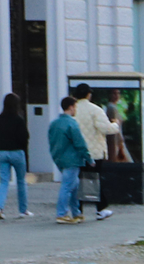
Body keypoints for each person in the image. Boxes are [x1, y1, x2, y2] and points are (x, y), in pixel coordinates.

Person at [71, 86, 121, 221]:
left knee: (78, 180)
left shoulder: (73, 109)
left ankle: (78, 210)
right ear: (88, 95)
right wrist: (115, 124)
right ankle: (101, 209)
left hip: (77, 152)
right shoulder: (95, 110)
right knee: (94, 180)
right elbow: (106, 128)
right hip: (94, 151)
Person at [46, 95, 91, 223]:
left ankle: (76, 212)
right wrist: (88, 157)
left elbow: (51, 141)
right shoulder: (72, 123)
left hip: (60, 158)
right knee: (67, 186)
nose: (76, 109)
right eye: (75, 106)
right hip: (72, 159)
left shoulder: (54, 124)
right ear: (71, 107)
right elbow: (79, 143)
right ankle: (62, 214)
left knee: (74, 185)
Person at [0, 93, 30, 220]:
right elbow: (25, 137)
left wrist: (0, 144)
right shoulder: (19, 119)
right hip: (17, 152)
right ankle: (23, 210)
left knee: (4, 182)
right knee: (21, 181)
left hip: (2, 153)